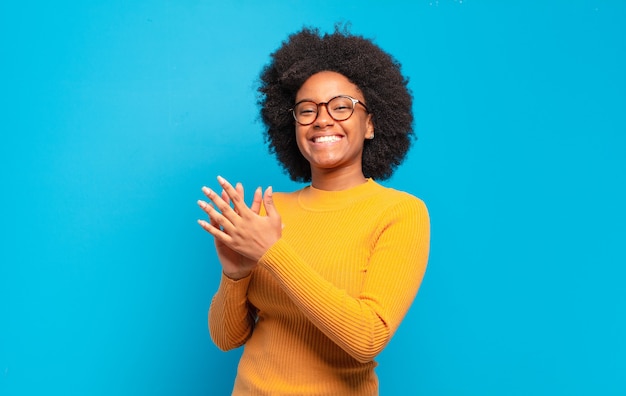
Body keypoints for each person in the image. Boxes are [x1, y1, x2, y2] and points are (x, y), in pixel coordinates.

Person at [197, 25, 430, 396]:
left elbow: (367, 339)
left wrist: (272, 253)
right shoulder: (268, 212)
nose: (322, 119)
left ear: (370, 123)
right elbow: (227, 339)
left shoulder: (399, 212)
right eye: (307, 110)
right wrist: (235, 274)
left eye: (341, 106)